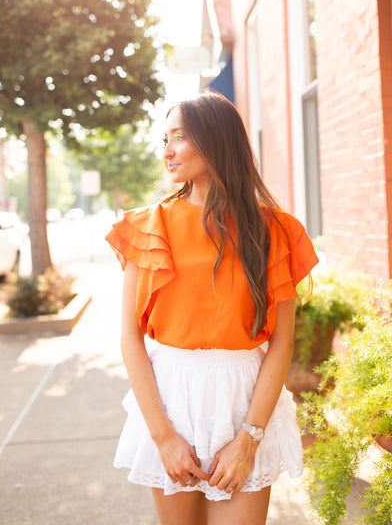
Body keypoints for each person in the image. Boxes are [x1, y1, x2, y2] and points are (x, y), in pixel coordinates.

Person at [105, 90, 319, 525]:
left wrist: (248, 439)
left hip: (245, 399)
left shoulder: (275, 230)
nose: (166, 151)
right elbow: (129, 336)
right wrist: (163, 436)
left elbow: (281, 343)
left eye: (178, 137)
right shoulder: (147, 226)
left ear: (216, 140)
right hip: (170, 398)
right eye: (164, 139)